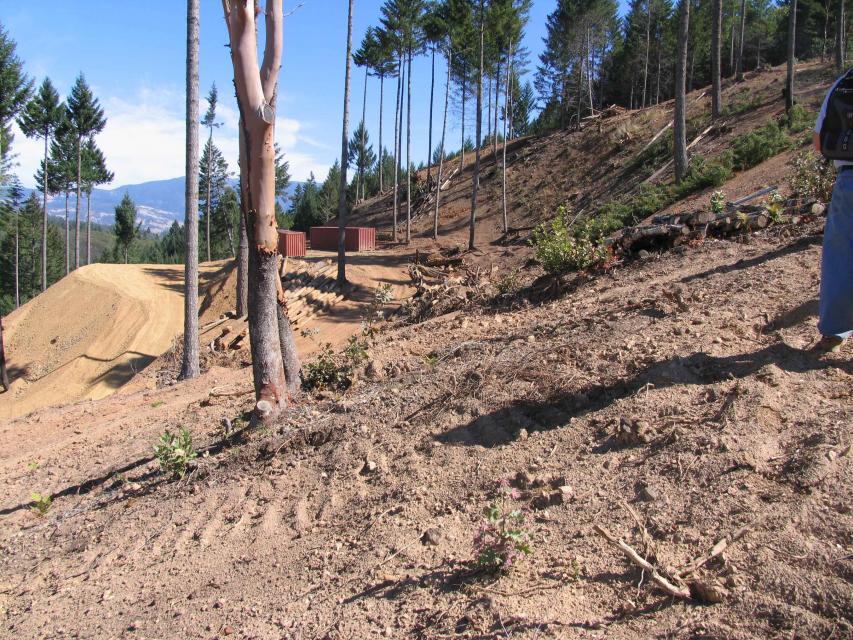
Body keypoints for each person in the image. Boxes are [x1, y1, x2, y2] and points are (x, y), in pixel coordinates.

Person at [812, 72, 853, 353]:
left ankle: (834, 332)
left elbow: (819, 141)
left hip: (848, 180)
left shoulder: (844, 83)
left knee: (840, 256)